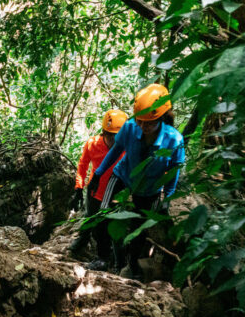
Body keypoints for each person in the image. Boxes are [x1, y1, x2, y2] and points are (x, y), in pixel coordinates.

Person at [87, 84, 185, 280]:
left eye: (149, 123)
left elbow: (173, 171)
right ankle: (102, 258)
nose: (143, 126)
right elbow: (116, 150)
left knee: (139, 228)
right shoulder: (130, 128)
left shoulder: (174, 140)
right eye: (140, 121)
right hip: (122, 175)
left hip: (149, 189)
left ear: (161, 118)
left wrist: (168, 198)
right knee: (103, 213)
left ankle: (132, 266)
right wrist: (98, 174)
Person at [68, 109, 128, 270]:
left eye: (118, 136)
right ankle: (84, 240)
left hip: (117, 195)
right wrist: (78, 188)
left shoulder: (127, 148)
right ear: (104, 133)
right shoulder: (92, 144)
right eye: (111, 136)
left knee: (112, 228)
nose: (114, 140)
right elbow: (82, 166)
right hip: (95, 192)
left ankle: (116, 261)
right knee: (91, 218)